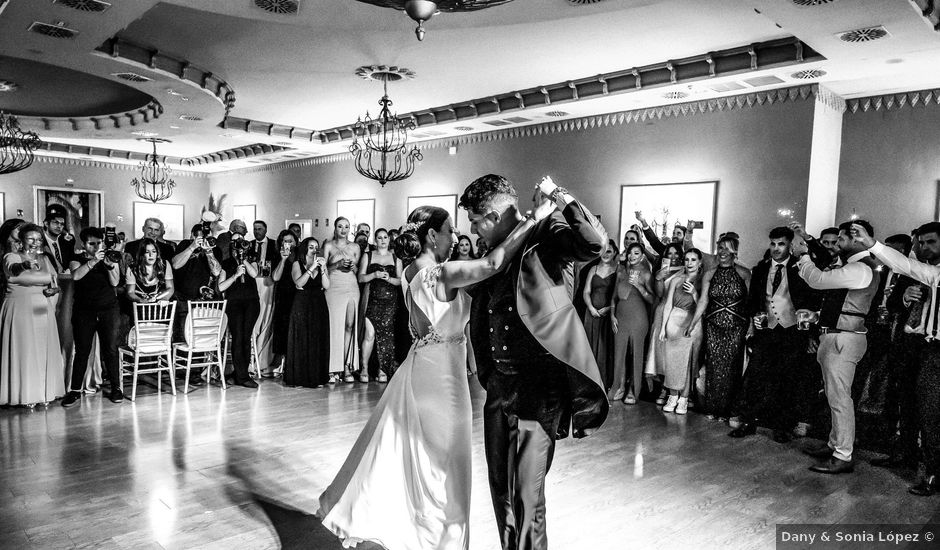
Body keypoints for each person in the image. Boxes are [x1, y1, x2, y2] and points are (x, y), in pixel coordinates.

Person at [319, 196, 556, 550]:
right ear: (432, 236)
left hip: (419, 366)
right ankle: (439, 537)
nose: (454, 237)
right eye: (449, 231)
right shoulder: (443, 273)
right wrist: (533, 219)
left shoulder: (409, 273)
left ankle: (420, 529)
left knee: (420, 452)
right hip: (444, 377)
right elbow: (493, 262)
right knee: (448, 459)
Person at [461, 174, 608, 550]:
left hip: (539, 388)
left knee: (528, 494)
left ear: (492, 216)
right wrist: (489, 376)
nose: (474, 231)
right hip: (498, 386)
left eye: (476, 221)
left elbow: (594, 242)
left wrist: (559, 195)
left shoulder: (548, 237)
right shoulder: (494, 254)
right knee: (501, 492)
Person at [856, 221, 940, 493]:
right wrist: (872, 244)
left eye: (932, 242)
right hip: (931, 351)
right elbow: (906, 265)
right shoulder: (931, 272)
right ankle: (931, 473)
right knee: (928, 412)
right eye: (922, 242)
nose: (925, 247)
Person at [794, 220, 880, 475]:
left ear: (855, 239)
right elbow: (842, 302)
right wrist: (819, 315)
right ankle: (835, 444)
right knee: (834, 396)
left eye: (841, 239)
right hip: (836, 335)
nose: (837, 244)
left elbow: (818, 280)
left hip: (844, 339)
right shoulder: (855, 267)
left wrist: (804, 256)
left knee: (840, 398)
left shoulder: (861, 268)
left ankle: (843, 455)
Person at [730, 226, 819, 442]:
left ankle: (782, 426)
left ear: (790, 245)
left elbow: (811, 301)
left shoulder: (801, 268)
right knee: (756, 377)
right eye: (773, 244)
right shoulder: (760, 269)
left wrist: (810, 335)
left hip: (792, 331)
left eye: (781, 244)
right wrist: (755, 317)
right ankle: (749, 421)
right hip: (766, 331)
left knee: (787, 381)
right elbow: (752, 300)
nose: (776, 248)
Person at [0, 223, 65, 407]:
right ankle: (25, 395)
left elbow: (53, 282)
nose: (35, 242)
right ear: (21, 240)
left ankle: (44, 393)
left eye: (39, 239)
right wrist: (25, 264)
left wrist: (53, 292)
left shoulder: (45, 259)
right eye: (31, 239)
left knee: (42, 352)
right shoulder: (11, 257)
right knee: (26, 351)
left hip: (43, 311)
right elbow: (13, 270)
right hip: (19, 309)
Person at [689, 235, 751, 420]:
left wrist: (751, 328)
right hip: (713, 325)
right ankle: (712, 408)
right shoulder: (709, 274)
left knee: (732, 367)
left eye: (726, 248)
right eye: (720, 248)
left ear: (734, 251)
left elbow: (750, 303)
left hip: (736, 326)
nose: (722, 252)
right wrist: (693, 323)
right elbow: (703, 301)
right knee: (714, 367)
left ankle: (729, 410)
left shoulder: (744, 273)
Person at [61, 227, 123, 407]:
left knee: (110, 349)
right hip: (84, 311)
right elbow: (76, 276)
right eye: (91, 244)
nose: (96, 247)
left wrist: (110, 264)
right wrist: (94, 260)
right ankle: (74, 391)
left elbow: (115, 282)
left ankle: (116, 388)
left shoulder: (109, 257)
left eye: (98, 243)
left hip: (108, 309)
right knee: (82, 351)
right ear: (83, 244)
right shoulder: (77, 259)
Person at [659, 248, 705, 414]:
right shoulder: (676, 280)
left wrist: (694, 293)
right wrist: (664, 327)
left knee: (688, 362)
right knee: (672, 361)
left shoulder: (703, 281)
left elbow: (704, 306)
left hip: (693, 322)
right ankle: (672, 396)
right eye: (686, 259)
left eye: (693, 260)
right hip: (674, 320)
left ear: (700, 262)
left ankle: (684, 399)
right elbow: (668, 304)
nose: (689, 263)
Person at [283, 237, 330, 387]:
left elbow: (327, 285)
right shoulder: (297, 264)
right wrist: (310, 269)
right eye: (311, 247)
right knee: (301, 339)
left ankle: (317, 377)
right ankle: (299, 378)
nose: (314, 250)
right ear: (305, 249)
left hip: (318, 303)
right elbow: (299, 283)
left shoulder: (322, 264)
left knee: (317, 339)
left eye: (316, 247)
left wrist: (322, 269)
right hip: (302, 303)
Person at [611, 242, 653, 403]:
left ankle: (633, 390)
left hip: (638, 318)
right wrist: (612, 316)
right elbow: (614, 297)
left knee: (636, 353)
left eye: (636, 253)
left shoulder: (646, 274)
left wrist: (640, 287)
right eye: (630, 253)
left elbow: (652, 299)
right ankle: (619, 386)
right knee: (619, 354)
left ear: (642, 256)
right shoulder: (621, 272)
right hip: (620, 317)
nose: (632, 256)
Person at [358, 228, 402, 382]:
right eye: (379, 237)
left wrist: (388, 278)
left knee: (386, 336)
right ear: (375, 240)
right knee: (369, 335)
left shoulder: (396, 258)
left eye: (385, 237)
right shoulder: (368, 255)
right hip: (372, 300)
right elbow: (361, 278)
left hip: (390, 301)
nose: (383, 240)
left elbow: (400, 281)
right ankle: (364, 368)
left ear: (389, 240)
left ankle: (382, 369)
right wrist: (374, 275)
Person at [171, 224, 223, 350]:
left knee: (203, 339)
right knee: (183, 338)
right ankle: (183, 369)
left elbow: (216, 272)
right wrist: (193, 246)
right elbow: (176, 264)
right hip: (183, 299)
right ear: (192, 236)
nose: (202, 240)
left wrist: (209, 252)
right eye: (199, 237)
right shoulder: (185, 245)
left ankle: (202, 368)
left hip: (205, 301)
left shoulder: (214, 248)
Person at [217, 237, 260, 388]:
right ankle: (242, 377)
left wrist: (244, 260)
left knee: (246, 336)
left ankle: (240, 374)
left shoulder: (251, 261)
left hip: (251, 302)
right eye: (236, 246)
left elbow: (254, 274)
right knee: (238, 337)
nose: (239, 248)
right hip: (234, 303)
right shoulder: (226, 264)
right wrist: (235, 275)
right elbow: (221, 287)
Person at [323, 217, 361, 383]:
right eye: (340, 226)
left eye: (346, 227)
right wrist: (336, 265)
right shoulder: (328, 245)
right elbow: (323, 268)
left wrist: (354, 267)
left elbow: (359, 270)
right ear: (335, 227)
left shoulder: (355, 247)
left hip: (351, 286)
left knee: (349, 325)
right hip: (333, 286)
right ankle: (333, 368)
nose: (343, 230)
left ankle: (347, 366)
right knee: (334, 326)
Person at [645, 242, 684, 404]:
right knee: (659, 352)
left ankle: (674, 390)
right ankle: (662, 388)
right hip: (661, 312)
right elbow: (660, 294)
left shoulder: (685, 270)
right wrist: (659, 278)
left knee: (673, 352)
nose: (673, 257)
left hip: (678, 314)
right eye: (669, 254)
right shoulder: (661, 271)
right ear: (665, 256)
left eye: (676, 254)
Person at [581, 240, 617, 392]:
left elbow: (619, 296)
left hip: (608, 316)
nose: (605, 254)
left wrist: (608, 309)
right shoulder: (593, 269)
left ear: (615, 253)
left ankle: (604, 383)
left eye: (609, 251)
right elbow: (586, 291)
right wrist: (590, 307)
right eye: (603, 250)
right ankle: (588, 383)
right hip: (591, 314)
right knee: (588, 346)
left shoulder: (619, 269)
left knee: (604, 348)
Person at [250, 220, 280, 377]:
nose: (257, 232)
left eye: (259, 229)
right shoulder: (249, 245)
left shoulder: (274, 244)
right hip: (255, 282)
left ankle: (263, 357)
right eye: (255, 229)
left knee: (267, 315)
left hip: (269, 282)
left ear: (266, 229)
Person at [269, 230, 298, 375]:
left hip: (298, 294)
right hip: (283, 295)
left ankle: (294, 360)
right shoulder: (277, 256)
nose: (288, 244)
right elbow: (275, 277)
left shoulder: (300, 255)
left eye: (290, 241)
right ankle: (281, 360)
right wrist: (283, 259)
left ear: (296, 242)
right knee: (282, 326)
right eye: (285, 241)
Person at [125, 238, 175, 304]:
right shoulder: (132, 268)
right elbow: (130, 292)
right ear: (142, 255)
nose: (151, 255)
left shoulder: (165, 264)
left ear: (157, 254)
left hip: (159, 305)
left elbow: (170, 288)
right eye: (147, 252)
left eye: (154, 251)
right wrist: (141, 300)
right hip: (139, 306)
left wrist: (165, 299)